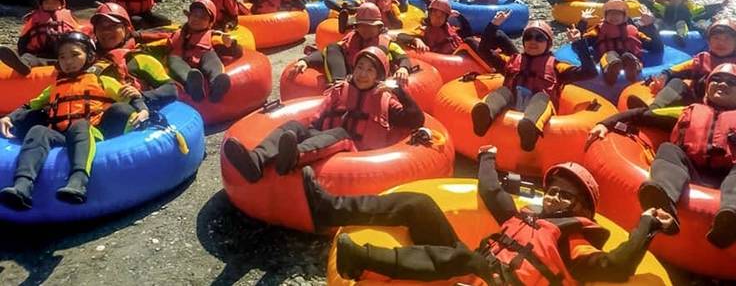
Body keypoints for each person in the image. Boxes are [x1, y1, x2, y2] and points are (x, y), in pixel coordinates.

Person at [301, 147, 672, 283]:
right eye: (554, 190)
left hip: (492, 279)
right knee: (419, 205)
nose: (556, 198)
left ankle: (360, 260)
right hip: (474, 270)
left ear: (582, 209)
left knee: (468, 259)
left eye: (567, 196)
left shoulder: (574, 238)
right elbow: (491, 191)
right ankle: (328, 210)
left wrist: (647, 223)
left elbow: (614, 268)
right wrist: (487, 157)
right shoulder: (525, 216)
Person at [587, 63, 736, 248]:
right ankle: (663, 204)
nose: (723, 84)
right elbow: (643, 115)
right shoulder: (688, 110)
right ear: (707, 88)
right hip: (687, 170)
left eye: (731, 83)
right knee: (669, 149)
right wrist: (604, 123)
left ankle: (732, 217)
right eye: (716, 80)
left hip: (735, 176)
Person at [224, 47, 424, 180]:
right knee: (294, 126)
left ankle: (294, 156)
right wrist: (308, 132)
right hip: (324, 139)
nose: (362, 74)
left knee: (340, 134)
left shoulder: (385, 100)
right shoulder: (340, 90)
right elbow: (319, 115)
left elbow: (416, 119)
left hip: (355, 150)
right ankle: (256, 160)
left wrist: (398, 91)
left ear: (379, 76)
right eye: (360, 67)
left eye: (370, 70)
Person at [0, 32, 147, 209]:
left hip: (93, 132)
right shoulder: (55, 87)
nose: (68, 61)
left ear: (89, 56)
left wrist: (143, 110)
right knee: (38, 130)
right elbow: (29, 105)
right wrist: (9, 117)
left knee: (80, 125)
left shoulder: (101, 80)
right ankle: (22, 186)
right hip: (61, 135)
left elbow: (130, 96)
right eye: (62, 57)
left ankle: (78, 182)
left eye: (75, 55)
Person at [471, 17, 596, 150]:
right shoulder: (511, 61)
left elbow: (590, 72)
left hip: (540, 109)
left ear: (548, 43)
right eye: (528, 37)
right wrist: (493, 25)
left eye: (539, 38)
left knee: (541, 97)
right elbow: (483, 50)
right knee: (503, 91)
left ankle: (530, 128)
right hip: (512, 105)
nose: (533, 41)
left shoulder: (557, 66)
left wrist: (578, 43)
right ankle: (485, 116)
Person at [638, 19, 736, 128]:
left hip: (734, 114)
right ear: (709, 42)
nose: (721, 43)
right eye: (716, 38)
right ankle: (651, 113)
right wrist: (662, 78)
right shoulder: (700, 60)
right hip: (698, 109)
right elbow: (671, 72)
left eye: (727, 39)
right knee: (676, 83)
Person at [289, 3, 412, 86]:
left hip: (373, 82)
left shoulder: (386, 43)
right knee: (333, 47)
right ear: (356, 26)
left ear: (379, 27)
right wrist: (306, 60)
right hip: (349, 78)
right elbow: (328, 53)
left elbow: (403, 58)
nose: (366, 29)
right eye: (362, 25)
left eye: (370, 26)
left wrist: (403, 68)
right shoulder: (350, 40)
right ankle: (339, 85)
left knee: (376, 52)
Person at [89, 2, 179, 111]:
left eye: (113, 26)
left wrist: (142, 96)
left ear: (126, 30)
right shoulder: (87, 60)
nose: (106, 31)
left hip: (137, 114)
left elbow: (171, 89)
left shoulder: (139, 59)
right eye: (101, 27)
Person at [166, 0, 242, 103]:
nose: (197, 19)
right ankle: (193, 85)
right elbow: (157, 37)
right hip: (183, 65)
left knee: (210, 57)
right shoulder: (178, 33)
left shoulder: (213, 35)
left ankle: (217, 84)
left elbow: (238, 53)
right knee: (173, 58)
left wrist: (231, 44)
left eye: (203, 17)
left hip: (203, 59)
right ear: (189, 16)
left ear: (210, 23)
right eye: (194, 15)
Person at [578, 0, 662, 85]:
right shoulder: (598, 31)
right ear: (605, 16)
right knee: (611, 54)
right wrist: (582, 23)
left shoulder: (633, 30)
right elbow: (581, 43)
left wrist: (650, 26)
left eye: (618, 14)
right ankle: (611, 69)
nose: (614, 17)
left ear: (624, 16)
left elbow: (656, 48)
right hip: (605, 63)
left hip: (632, 61)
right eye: (611, 14)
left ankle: (633, 68)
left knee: (628, 56)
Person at [0, 0, 79, 76]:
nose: (50, 5)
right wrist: (21, 52)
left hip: (61, 54)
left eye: (54, 2)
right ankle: (23, 65)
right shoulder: (34, 18)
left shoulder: (67, 16)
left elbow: (79, 36)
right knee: (28, 57)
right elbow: (24, 37)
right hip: (38, 54)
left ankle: (64, 68)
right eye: (47, 2)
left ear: (61, 4)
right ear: (41, 5)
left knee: (66, 60)